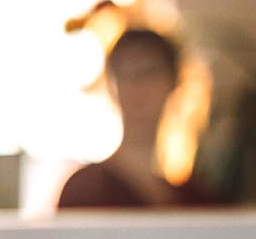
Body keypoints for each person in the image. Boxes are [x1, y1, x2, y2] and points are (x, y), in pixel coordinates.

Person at [58, 28, 207, 208]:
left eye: (149, 72)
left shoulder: (197, 199)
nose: (136, 85)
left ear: (174, 82)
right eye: (124, 74)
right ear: (113, 87)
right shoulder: (84, 190)